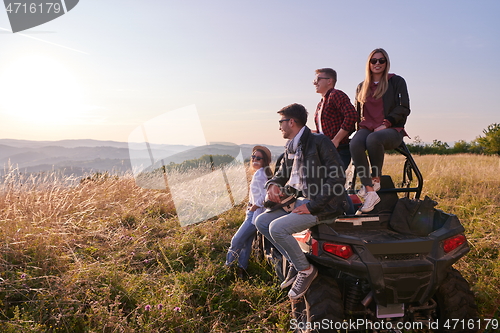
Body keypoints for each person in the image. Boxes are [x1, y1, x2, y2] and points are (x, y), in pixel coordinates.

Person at [255, 103, 348, 300]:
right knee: (261, 222)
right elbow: (281, 174)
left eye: (281, 122)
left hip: (323, 206)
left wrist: (312, 206)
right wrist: (272, 185)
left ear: (291, 122)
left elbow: (338, 178)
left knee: (277, 229)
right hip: (301, 200)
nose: (279, 127)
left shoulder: (319, 141)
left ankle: (305, 270)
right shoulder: (292, 145)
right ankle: (294, 262)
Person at [350, 48, 410, 213]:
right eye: (373, 60)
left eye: (381, 60)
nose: (377, 63)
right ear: (368, 64)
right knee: (355, 142)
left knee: (373, 139)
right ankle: (369, 190)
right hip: (367, 127)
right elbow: (356, 115)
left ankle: (376, 179)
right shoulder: (361, 86)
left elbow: (404, 107)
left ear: (386, 63)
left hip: (391, 129)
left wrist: (387, 122)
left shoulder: (396, 81)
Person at [225, 145, 273, 278]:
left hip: (255, 214)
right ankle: (242, 270)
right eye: (253, 156)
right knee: (246, 242)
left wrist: (255, 206)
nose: (254, 159)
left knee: (236, 240)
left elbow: (266, 195)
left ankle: (228, 266)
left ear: (264, 160)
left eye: (258, 158)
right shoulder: (263, 172)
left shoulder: (260, 174)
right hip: (253, 212)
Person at [313, 68, 357, 169]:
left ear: (329, 81)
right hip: (326, 151)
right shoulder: (320, 104)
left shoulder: (336, 94)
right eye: (314, 81)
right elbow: (324, 131)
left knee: (332, 181)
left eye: (318, 79)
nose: (315, 83)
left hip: (339, 150)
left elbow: (351, 115)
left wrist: (336, 140)